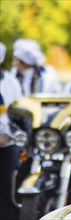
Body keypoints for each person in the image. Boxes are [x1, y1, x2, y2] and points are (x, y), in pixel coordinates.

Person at [0, 42, 23, 220]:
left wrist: (5, 135)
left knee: (7, 184)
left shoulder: (11, 82)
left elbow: (17, 113)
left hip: (8, 142)